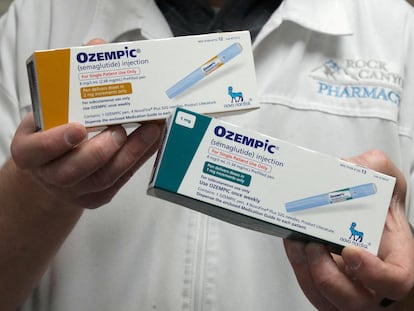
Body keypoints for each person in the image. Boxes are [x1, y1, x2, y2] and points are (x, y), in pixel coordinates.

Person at [0, 0, 414, 310]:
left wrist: (394, 293)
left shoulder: (396, 31)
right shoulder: (40, 16)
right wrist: (38, 191)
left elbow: (400, 281)